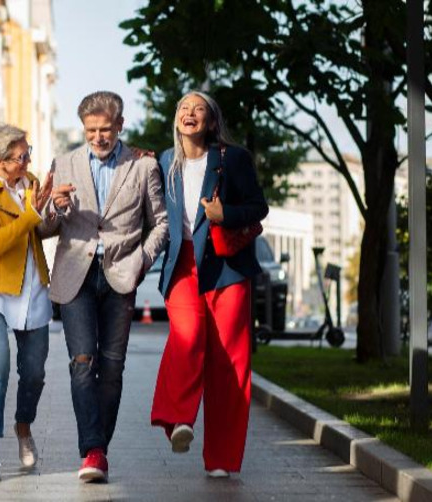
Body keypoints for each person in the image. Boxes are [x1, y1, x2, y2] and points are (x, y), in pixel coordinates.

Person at [39, 91, 168, 483]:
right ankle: (92, 450)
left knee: (111, 366)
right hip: (75, 274)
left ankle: (100, 448)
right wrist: (55, 207)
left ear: (120, 126)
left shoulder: (143, 166)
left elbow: (160, 222)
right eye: (91, 130)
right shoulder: (64, 163)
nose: (98, 137)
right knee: (83, 363)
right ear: (83, 128)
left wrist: (142, 259)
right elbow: (44, 226)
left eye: (105, 129)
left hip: (120, 275)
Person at [149, 90, 269, 479]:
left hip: (227, 267)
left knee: (229, 363)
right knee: (187, 336)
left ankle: (221, 457)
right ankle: (179, 418)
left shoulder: (232, 158)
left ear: (212, 122)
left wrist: (225, 214)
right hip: (183, 263)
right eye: (183, 106)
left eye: (198, 109)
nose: (189, 112)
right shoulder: (165, 161)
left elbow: (258, 207)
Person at [0, 124, 56, 482]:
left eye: (28, 151)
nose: (28, 159)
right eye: (21, 156)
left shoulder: (31, 182)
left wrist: (54, 212)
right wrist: (33, 212)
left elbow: (40, 230)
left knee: (34, 372)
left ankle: (23, 426)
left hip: (32, 286)